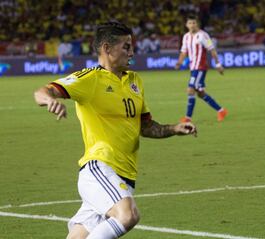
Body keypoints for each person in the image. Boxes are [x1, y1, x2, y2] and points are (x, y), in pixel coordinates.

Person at [34, 21, 197, 239]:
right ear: (107, 49)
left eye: (131, 46)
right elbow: (43, 91)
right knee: (128, 215)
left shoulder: (135, 81)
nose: (132, 52)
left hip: (124, 175)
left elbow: (146, 126)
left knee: (78, 236)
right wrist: (49, 101)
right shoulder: (90, 79)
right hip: (100, 167)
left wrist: (175, 128)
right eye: (126, 47)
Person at [175, 15, 227, 123]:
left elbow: (212, 50)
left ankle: (187, 118)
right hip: (193, 68)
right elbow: (184, 51)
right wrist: (179, 62)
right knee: (200, 93)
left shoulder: (203, 35)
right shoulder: (186, 37)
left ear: (197, 24)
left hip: (200, 67)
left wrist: (218, 64)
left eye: (194, 23)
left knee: (190, 90)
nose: (192, 25)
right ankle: (221, 111)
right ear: (186, 25)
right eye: (190, 23)